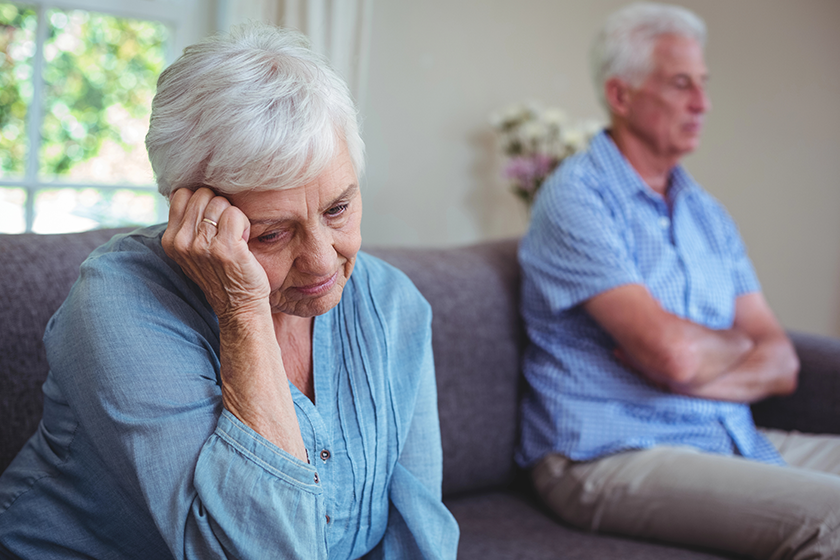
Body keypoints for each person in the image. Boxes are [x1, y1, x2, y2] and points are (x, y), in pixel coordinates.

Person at [0, 23, 459, 559]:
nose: (321, 258)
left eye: (338, 209)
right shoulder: (117, 306)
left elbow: (418, 533)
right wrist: (242, 309)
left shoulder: (392, 304)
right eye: (270, 233)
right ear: (195, 216)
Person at [516, 3, 840, 558]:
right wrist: (725, 351)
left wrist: (694, 372)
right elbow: (672, 355)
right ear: (621, 96)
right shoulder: (575, 198)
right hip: (608, 451)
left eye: (704, 85)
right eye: (681, 84)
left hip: (723, 435)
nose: (703, 104)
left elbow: (781, 362)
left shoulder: (706, 213)